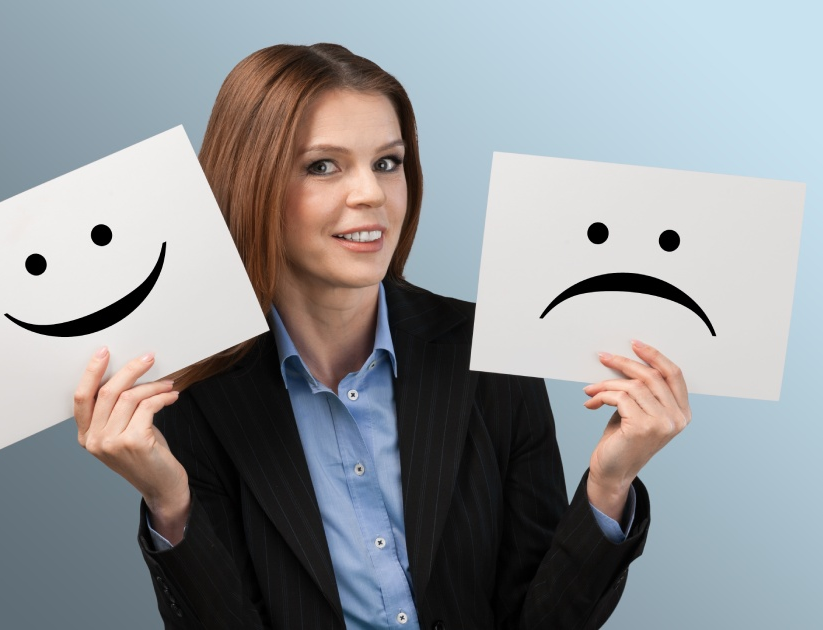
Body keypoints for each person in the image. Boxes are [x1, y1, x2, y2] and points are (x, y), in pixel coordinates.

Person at [73, 43, 691, 629]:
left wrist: (610, 484)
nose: (370, 193)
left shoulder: (488, 351)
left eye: (387, 162)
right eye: (323, 166)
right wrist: (169, 501)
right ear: (251, 184)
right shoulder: (192, 392)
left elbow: (540, 619)